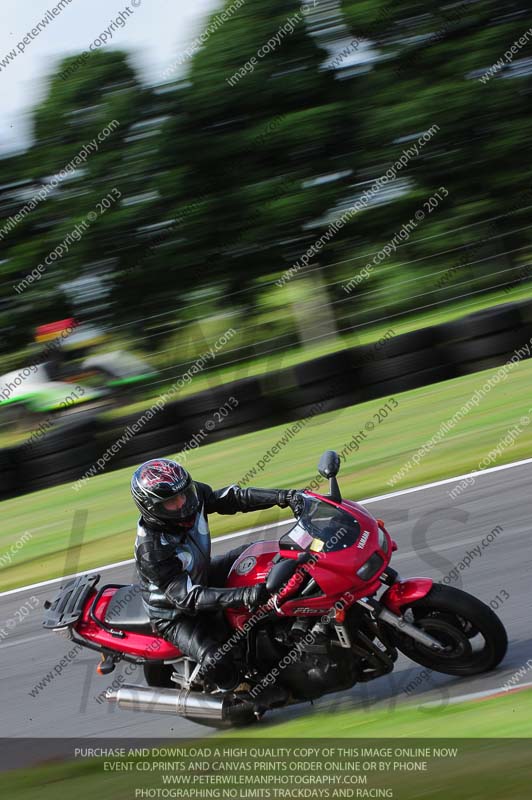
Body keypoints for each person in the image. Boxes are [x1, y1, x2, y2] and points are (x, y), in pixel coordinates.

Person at [132, 458, 301, 690]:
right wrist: (245, 595)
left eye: (184, 494)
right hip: (175, 613)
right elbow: (189, 598)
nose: (183, 503)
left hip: (201, 574)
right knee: (216, 659)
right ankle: (240, 693)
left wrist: (284, 497)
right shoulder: (152, 549)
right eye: (172, 502)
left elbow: (233, 499)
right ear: (152, 508)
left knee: (258, 555)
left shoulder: (190, 497)